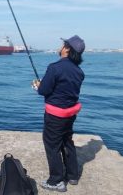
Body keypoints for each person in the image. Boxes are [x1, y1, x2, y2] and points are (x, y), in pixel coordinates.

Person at [32, 35, 85, 192]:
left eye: (63, 44)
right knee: (67, 141)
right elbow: (65, 89)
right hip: (70, 114)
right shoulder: (79, 72)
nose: (60, 46)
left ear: (67, 49)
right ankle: (73, 175)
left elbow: (44, 91)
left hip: (55, 116)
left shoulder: (54, 67)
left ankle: (56, 181)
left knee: (52, 146)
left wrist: (38, 86)